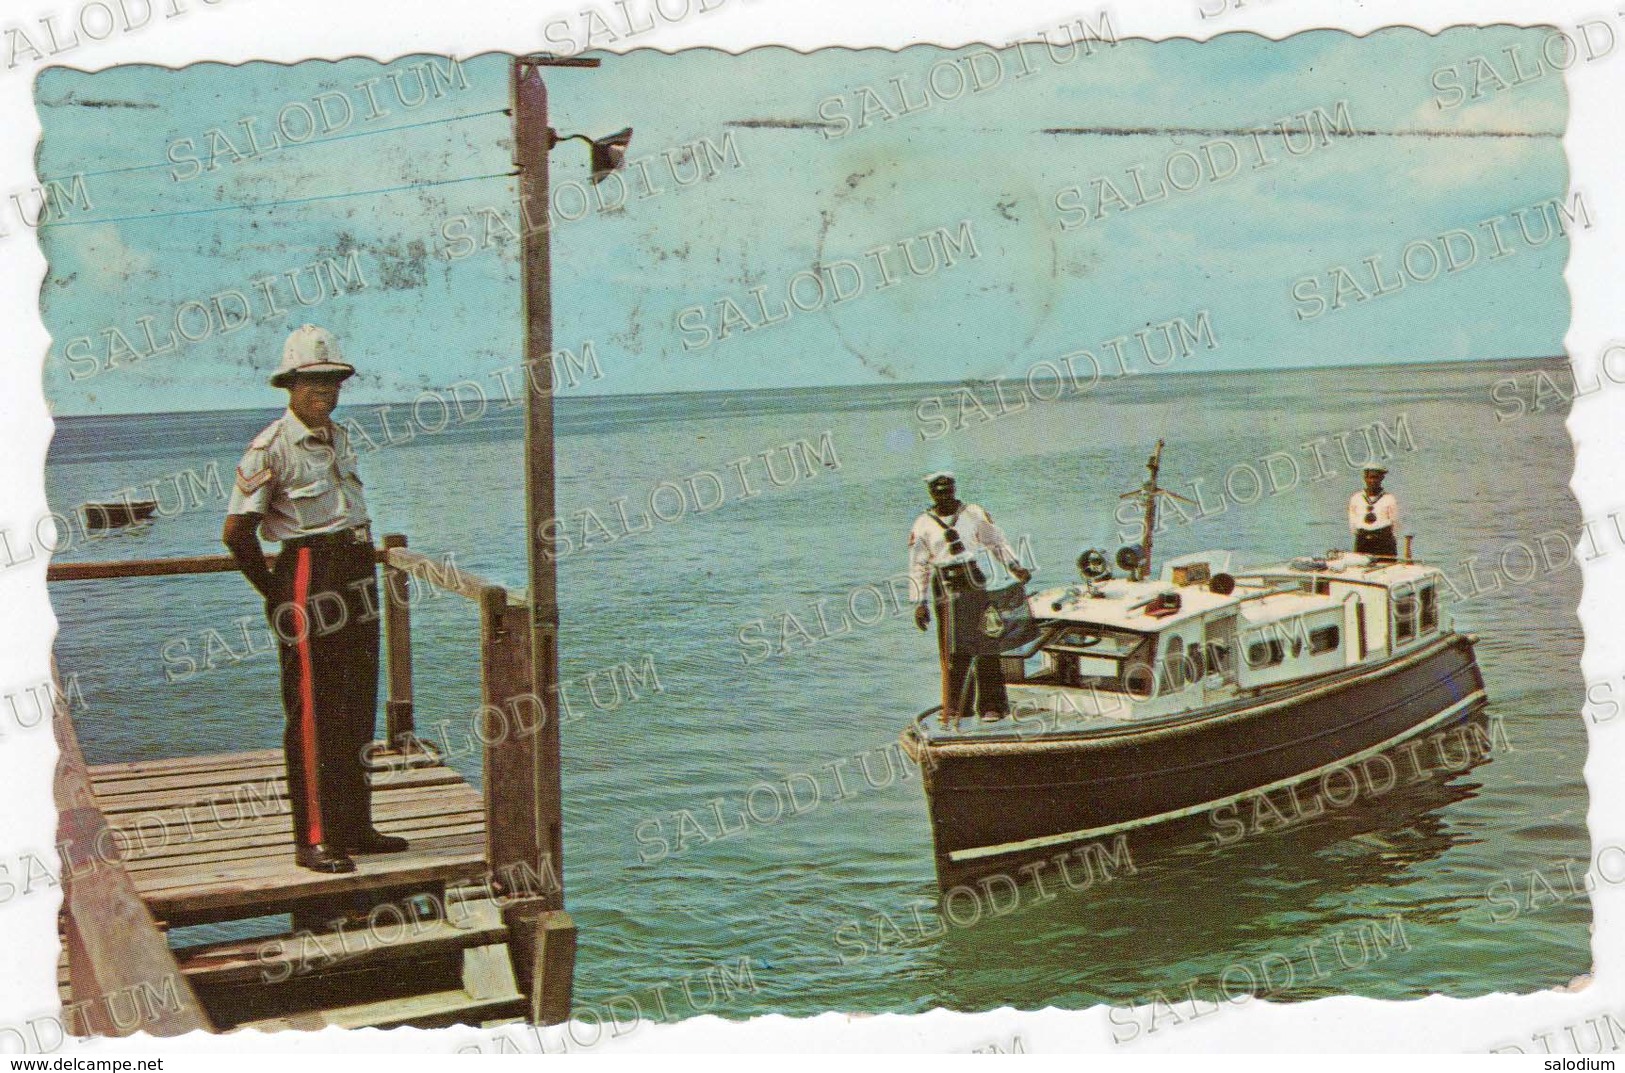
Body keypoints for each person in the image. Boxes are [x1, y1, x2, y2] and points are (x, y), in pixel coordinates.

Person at [222, 325, 408, 874]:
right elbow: (237, 532)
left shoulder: (339, 438)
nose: (325, 391)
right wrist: (279, 592)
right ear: (291, 386)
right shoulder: (270, 446)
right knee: (311, 713)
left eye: (333, 381)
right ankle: (315, 838)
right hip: (308, 573)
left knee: (355, 707)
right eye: (314, 382)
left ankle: (354, 826)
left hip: (355, 569)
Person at [908, 472, 1031, 721]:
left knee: (986, 640)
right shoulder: (922, 523)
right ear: (931, 493)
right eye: (938, 490)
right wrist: (919, 602)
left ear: (954, 488)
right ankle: (956, 707)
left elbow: (996, 542)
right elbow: (918, 565)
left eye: (947, 489)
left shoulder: (973, 513)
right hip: (944, 584)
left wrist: (1014, 566)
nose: (944, 494)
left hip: (973, 580)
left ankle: (991, 706)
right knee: (953, 647)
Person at [1348, 463, 1399, 559]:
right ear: (1365, 478)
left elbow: (1394, 524)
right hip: (1363, 540)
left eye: (1376, 478)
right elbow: (1353, 524)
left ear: (1381, 478)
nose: (1372, 481)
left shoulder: (1389, 499)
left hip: (1383, 541)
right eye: (1370, 478)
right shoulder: (1356, 498)